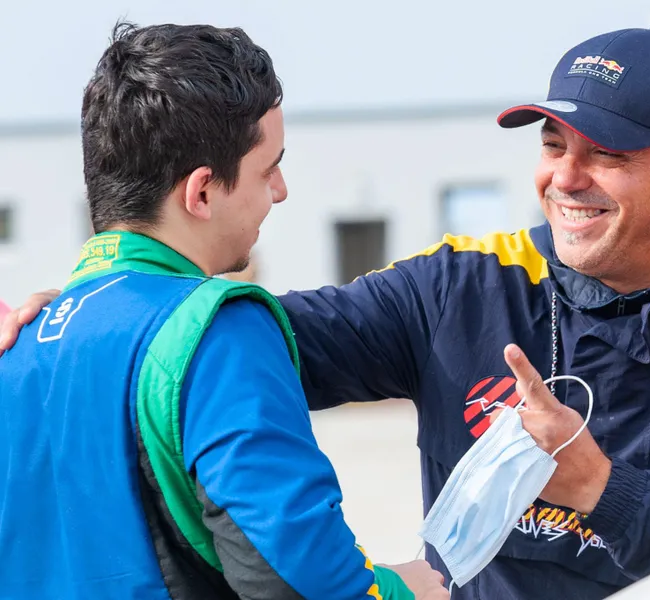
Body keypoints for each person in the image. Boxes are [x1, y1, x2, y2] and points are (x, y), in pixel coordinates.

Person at [6, 24, 650, 599]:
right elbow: (216, 349)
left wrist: (601, 488)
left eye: (609, 155)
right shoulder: (460, 287)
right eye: (554, 145)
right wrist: (96, 314)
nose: (567, 178)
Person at [0, 22, 447, 600]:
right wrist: (406, 589)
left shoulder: (20, 341)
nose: (281, 190)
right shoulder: (217, 329)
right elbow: (297, 581)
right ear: (202, 192)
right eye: (269, 168)